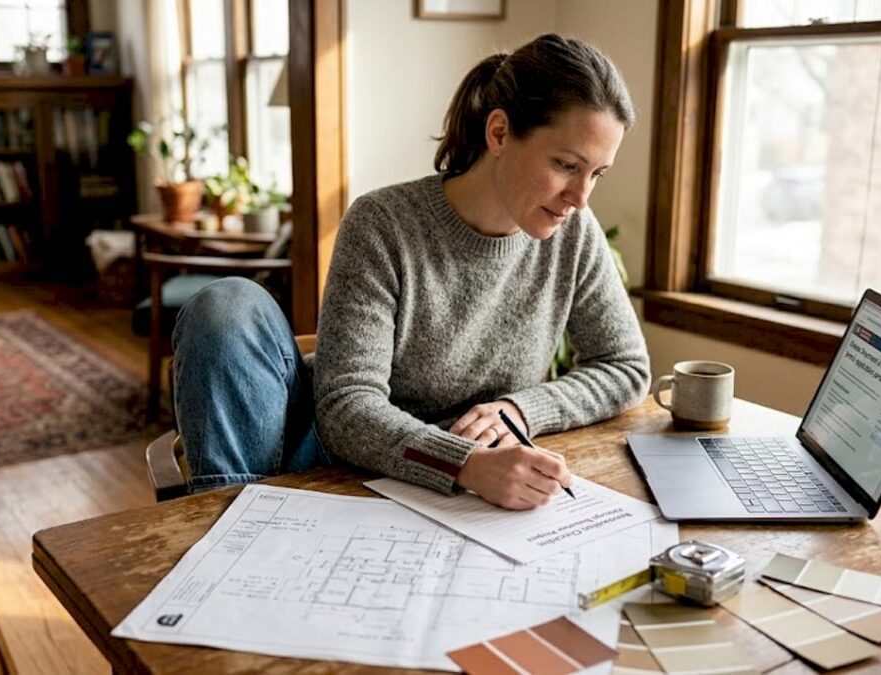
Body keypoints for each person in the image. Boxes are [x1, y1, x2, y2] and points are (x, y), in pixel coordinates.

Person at [172, 33, 650, 510]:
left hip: (457, 492)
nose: (581, 198)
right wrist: (463, 463)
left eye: (597, 173)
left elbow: (626, 367)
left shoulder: (575, 232)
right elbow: (346, 408)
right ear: (499, 133)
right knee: (226, 304)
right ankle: (232, 518)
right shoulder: (383, 224)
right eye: (567, 165)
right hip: (339, 459)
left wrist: (522, 408)